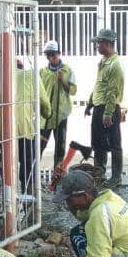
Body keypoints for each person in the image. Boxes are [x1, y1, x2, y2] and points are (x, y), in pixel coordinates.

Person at [85, 28, 125, 188]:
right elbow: (98, 87)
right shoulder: (103, 63)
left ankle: (116, 177)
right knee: (98, 143)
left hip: (109, 109)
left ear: (108, 44)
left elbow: (112, 92)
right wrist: (89, 104)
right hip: (99, 108)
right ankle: (99, 173)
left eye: (99, 43)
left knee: (114, 144)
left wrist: (108, 114)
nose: (97, 46)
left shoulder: (114, 65)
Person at [13, 53, 51, 196]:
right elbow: (45, 104)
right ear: (22, 66)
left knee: (8, 164)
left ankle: (8, 200)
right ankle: (30, 200)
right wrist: (47, 114)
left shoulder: (6, 77)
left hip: (4, 129)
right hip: (24, 128)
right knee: (28, 164)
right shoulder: (31, 75)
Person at [39, 40, 76, 172]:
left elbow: (72, 91)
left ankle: (57, 174)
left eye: (54, 54)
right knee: (40, 145)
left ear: (59, 54)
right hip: (46, 115)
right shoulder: (42, 72)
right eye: (49, 55)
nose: (52, 57)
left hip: (61, 115)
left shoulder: (67, 70)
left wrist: (62, 81)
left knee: (60, 146)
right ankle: (34, 174)